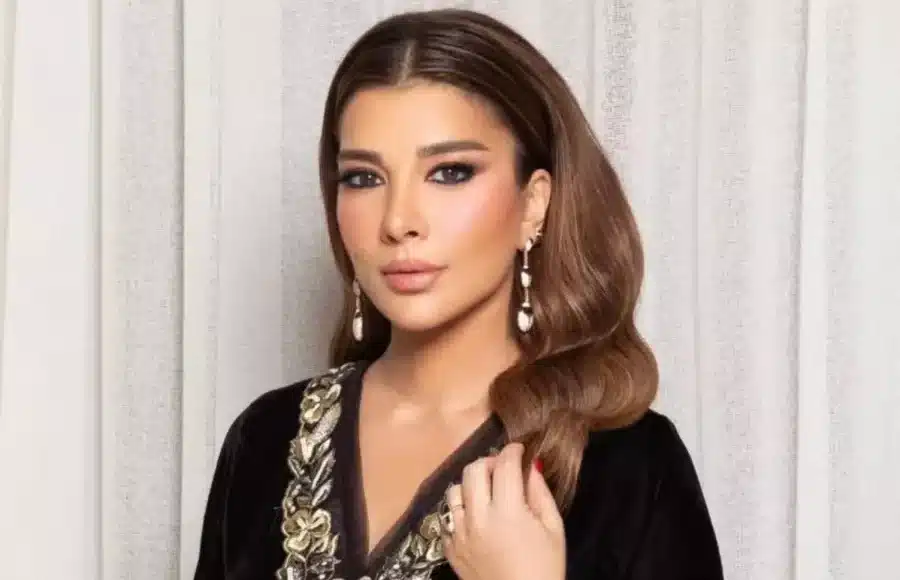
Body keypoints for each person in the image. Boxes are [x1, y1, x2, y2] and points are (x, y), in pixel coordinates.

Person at [193, 8, 724, 580]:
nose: (398, 221)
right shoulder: (266, 439)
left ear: (533, 204)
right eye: (363, 178)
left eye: (449, 172)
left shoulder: (627, 466)